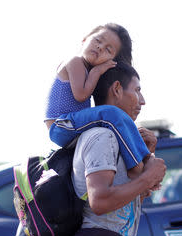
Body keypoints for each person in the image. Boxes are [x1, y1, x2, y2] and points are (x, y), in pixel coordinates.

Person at [58, 62, 167, 236]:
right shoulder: (102, 136)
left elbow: (127, 200)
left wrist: (145, 161)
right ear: (117, 89)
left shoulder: (119, 137)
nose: (143, 100)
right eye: (137, 90)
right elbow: (100, 201)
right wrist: (148, 176)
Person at [44, 23, 150, 178]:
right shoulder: (75, 62)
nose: (100, 48)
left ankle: (141, 157)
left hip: (70, 126)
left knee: (112, 118)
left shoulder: (88, 70)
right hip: (61, 125)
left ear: (112, 61)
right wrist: (97, 70)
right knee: (110, 113)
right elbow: (81, 95)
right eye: (98, 40)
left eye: (108, 49)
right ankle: (137, 165)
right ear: (85, 39)